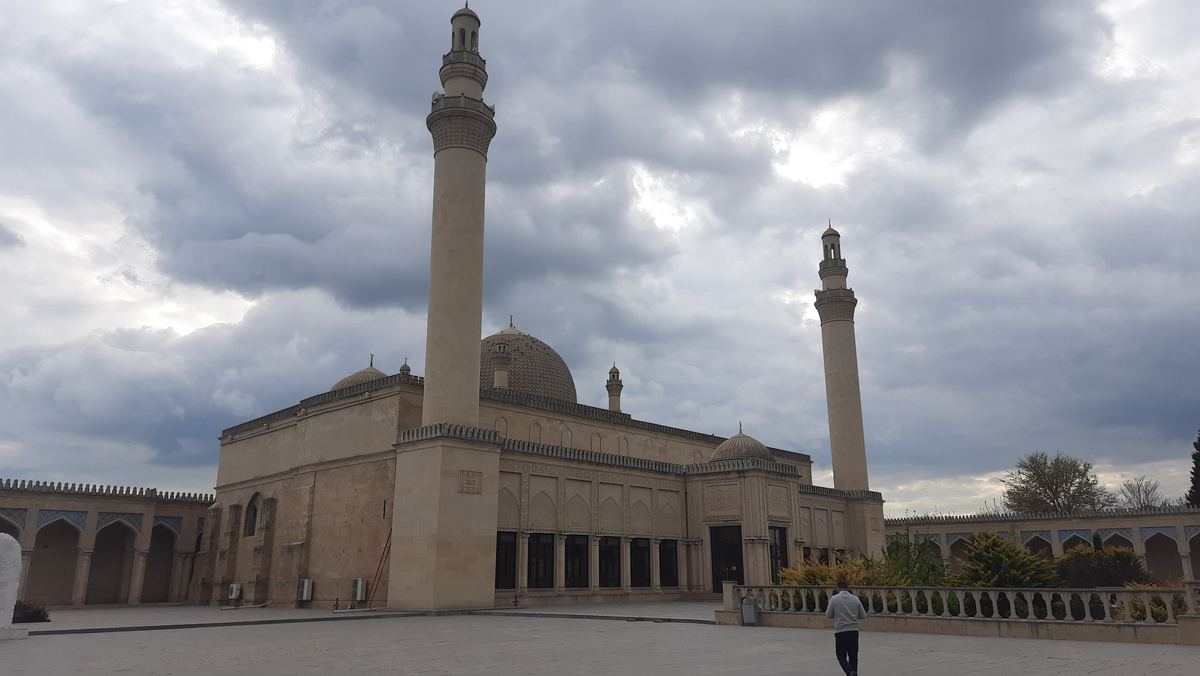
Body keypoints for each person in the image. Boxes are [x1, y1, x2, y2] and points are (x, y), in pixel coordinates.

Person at [825, 580, 866, 676]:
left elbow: (828, 614)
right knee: (853, 656)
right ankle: (853, 672)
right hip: (853, 631)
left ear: (838, 588)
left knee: (841, 655)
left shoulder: (834, 599)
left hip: (841, 631)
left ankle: (849, 672)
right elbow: (863, 615)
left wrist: (838, 615)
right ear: (848, 588)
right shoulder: (855, 599)